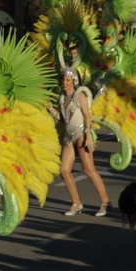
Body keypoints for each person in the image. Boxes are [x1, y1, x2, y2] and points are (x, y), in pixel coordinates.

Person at [49, 68, 110, 217]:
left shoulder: (79, 95)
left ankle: (105, 202)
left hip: (81, 134)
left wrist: (88, 135)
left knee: (89, 170)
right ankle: (76, 203)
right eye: (63, 79)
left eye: (68, 80)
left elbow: (87, 116)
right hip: (69, 137)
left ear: (74, 81)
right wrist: (50, 108)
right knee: (64, 170)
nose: (64, 82)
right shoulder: (62, 98)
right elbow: (63, 120)